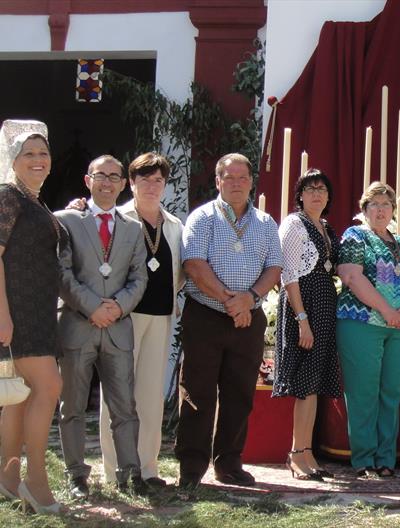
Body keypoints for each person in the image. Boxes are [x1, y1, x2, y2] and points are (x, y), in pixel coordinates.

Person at [176, 153, 282, 489]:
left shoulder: (266, 223)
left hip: (248, 318)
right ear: (218, 181)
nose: (236, 183)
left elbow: (274, 268)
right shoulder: (202, 218)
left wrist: (248, 300)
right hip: (206, 314)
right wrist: (229, 300)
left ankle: (229, 462)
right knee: (197, 392)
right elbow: (193, 263)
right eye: (229, 177)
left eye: (242, 177)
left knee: (239, 394)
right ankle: (192, 468)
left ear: (251, 181)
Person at [56, 154, 149, 498]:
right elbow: (61, 273)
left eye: (114, 177)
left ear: (124, 184)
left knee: (125, 406)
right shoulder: (66, 220)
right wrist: (93, 307)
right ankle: (76, 475)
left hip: (117, 329)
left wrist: (118, 307)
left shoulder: (133, 228)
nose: (107, 183)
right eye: (100, 176)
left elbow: (139, 277)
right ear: (88, 180)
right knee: (73, 406)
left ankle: (131, 473)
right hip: (78, 325)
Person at [97, 153, 184, 488]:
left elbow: (179, 272)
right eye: (144, 179)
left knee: (149, 395)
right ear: (130, 183)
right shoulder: (116, 218)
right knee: (118, 395)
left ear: (165, 184)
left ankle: (147, 469)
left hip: (160, 317)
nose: (152, 185)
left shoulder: (173, 225)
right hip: (123, 317)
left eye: (158, 179)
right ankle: (115, 471)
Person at [336, 182, 400, 478]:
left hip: (399, 327)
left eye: (386, 204)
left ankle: (386, 458)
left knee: (391, 392)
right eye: (374, 204)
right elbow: (350, 275)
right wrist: (387, 311)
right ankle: (363, 459)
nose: (380, 209)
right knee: (363, 392)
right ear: (364, 210)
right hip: (362, 323)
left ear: (393, 211)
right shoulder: (355, 236)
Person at [0, 120, 65, 514]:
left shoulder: (34, 201)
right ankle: (36, 483)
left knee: (20, 399)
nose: (38, 160)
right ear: (13, 160)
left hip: (39, 310)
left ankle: (7, 479)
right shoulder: (8, 196)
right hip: (18, 312)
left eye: (43, 153)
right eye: (29, 154)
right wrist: (2, 316)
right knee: (49, 387)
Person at [275, 169, 341, 480]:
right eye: (310, 188)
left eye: (322, 189)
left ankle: (307, 451)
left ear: (328, 197)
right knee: (303, 383)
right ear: (300, 194)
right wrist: (302, 320)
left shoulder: (326, 227)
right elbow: (289, 274)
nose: (316, 194)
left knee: (314, 384)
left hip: (325, 305)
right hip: (305, 306)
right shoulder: (293, 224)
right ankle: (295, 453)